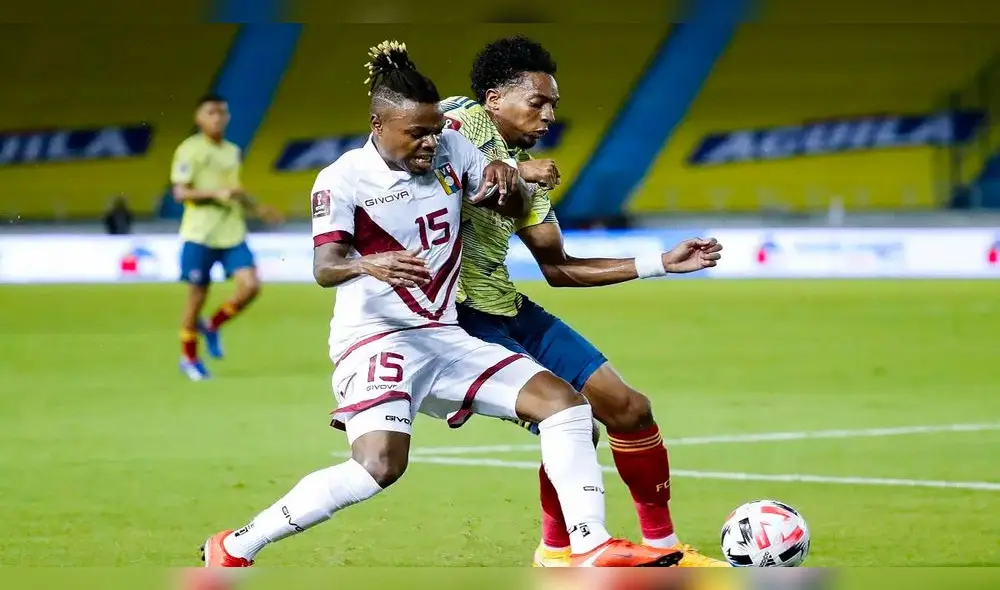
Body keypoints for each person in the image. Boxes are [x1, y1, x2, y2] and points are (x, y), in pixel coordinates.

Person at [201, 40, 684, 569]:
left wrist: (508, 179)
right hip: (375, 338)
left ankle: (589, 546)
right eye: (416, 134)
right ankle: (236, 545)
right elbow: (325, 267)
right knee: (378, 467)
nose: (431, 143)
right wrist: (369, 264)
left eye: (434, 130)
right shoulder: (341, 179)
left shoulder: (452, 146)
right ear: (377, 124)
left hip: (443, 332)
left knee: (565, 406)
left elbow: (515, 206)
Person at [440, 36, 727, 567]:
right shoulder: (459, 117)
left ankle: (664, 549)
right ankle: (561, 549)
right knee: (570, 418)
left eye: (553, 105)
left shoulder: (532, 175)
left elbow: (560, 268)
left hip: (508, 307)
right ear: (495, 98)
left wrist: (661, 262)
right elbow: (417, 145)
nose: (549, 115)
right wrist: (511, 169)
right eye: (538, 102)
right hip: (455, 316)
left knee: (629, 408)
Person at [170, 94, 283, 380]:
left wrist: (258, 209)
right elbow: (180, 192)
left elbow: (234, 189)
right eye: (211, 112)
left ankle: (213, 325)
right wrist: (214, 194)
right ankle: (189, 357)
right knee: (196, 297)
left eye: (222, 113)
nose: (218, 118)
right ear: (199, 118)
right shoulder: (189, 150)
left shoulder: (231, 151)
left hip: (232, 232)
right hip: (200, 234)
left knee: (251, 286)